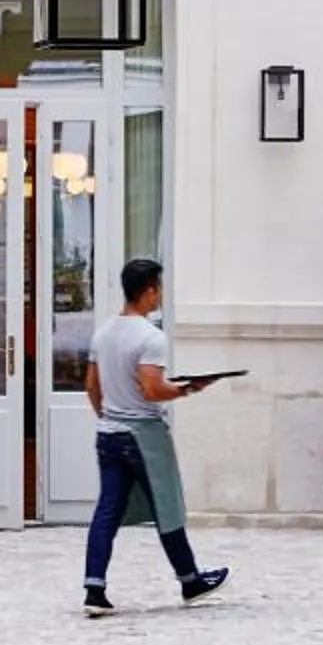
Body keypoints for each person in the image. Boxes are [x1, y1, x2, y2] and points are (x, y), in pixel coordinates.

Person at [81, 257, 229, 616]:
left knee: (107, 512)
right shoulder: (151, 338)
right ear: (148, 291)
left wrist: (107, 415)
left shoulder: (104, 333)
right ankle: (190, 580)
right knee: (167, 507)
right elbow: (151, 389)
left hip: (109, 435)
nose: (160, 294)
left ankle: (94, 587)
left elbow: (91, 386)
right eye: (159, 288)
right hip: (143, 436)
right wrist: (186, 390)